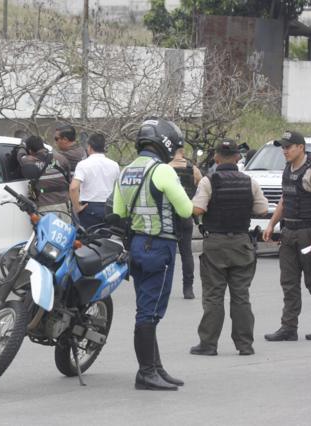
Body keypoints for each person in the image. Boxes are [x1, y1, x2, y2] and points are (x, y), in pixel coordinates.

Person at [112, 117, 193, 391]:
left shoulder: (125, 171)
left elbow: (119, 213)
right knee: (150, 313)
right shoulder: (163, 171)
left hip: (136, 247)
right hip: (159, 247)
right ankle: (146, 373)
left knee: (145, 308)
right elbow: (185, 210)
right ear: (165, 143)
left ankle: (156, 368)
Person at [189, 139, 268, 356]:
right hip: (241, 243)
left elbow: (197, 209)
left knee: (214, 295)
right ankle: (245, 345)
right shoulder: (249, 181)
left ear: (215, 157)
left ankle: (208, 344)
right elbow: (262, 209)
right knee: (241, 295)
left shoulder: (208, 181)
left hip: (215, 243)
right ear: (238, 157)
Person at [264, 130, 311, 342]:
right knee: (289, 283)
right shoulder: (287, 169)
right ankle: (288, 328)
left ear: (300, 147)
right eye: (282, 147)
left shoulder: (310, 171)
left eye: (288, 147)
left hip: (308, 233)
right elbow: (284, 199)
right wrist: (271, 224)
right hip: (289, 232)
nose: (284, 151)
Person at [169, 146, 203, 299]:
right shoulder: (194, 169)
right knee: (186, 253)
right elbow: (201, 189)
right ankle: (188, 288)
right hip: (186, 215)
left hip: (168, 216)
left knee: (167, 253)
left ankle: (165, 285)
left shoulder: (165, 168)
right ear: (183, 152)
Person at [69, 133, 120, 229]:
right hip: (109, 207)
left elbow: (73, 188)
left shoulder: (83, 164)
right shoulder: (114, 165)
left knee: (87, 240)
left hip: (89, 208)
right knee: (106, 240)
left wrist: (77, 207)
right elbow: (118, 188)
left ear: (89, 147)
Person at [15, 135, 70, 219]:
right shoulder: (61, 158)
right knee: (65, 231)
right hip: (64, 205)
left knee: (47, 231)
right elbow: (69, 178)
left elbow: (20, 155)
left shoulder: (29, 160)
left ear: (30, 150)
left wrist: (22, 145)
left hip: (46, 206)